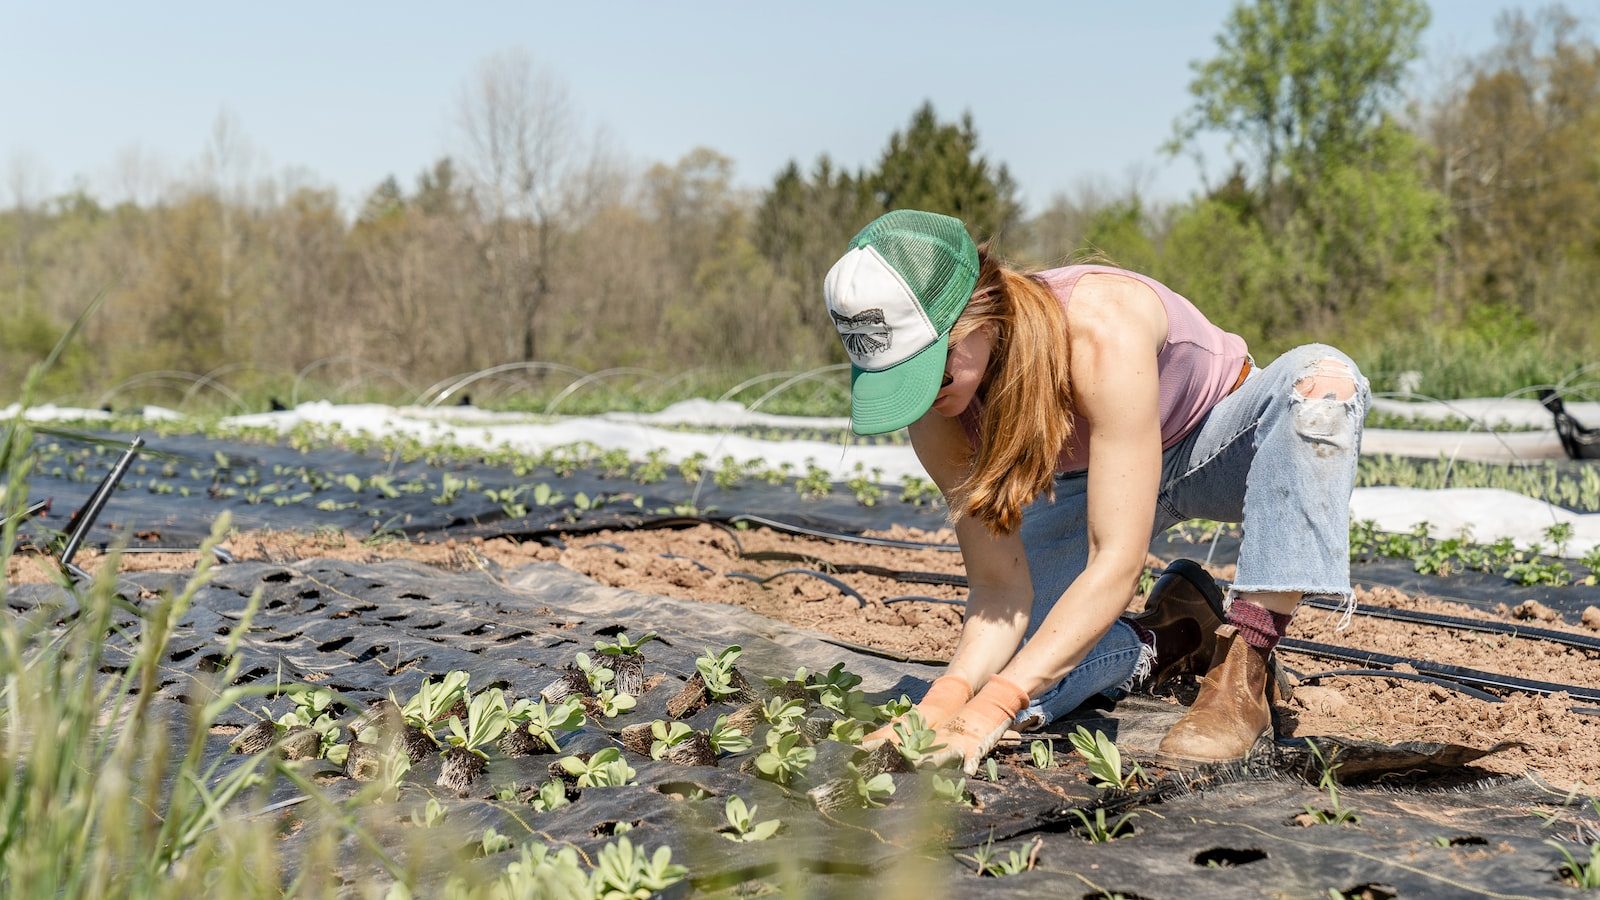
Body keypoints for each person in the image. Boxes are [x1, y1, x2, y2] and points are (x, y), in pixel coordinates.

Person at [827, 210, 1370, 774]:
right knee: (1025, 666)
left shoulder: (1096, 328)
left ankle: (1246, 664)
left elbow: (1115, 561)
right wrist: (949, 698)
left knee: (1323, 384)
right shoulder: (937, 413)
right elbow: (999, 589)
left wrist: (996, 704)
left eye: (930, 371)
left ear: (979, 316)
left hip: (1216, 443)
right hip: (1093, 479)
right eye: (898, 381)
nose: (924, 397)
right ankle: (1171, 635)